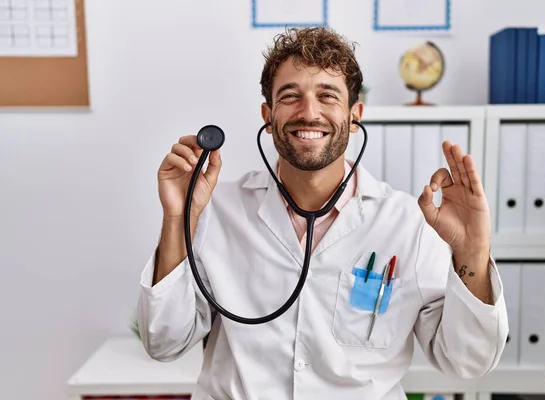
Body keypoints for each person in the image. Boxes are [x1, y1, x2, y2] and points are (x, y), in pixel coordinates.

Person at [136, 26, 509, 400]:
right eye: (290, 96)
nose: (309, 112)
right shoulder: (218, 210)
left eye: (327, 96)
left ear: (355, 114)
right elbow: (164, 342)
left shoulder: (408, 222)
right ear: (268, 116)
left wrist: (471, 250)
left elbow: (467, 361)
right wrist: (177, 218)